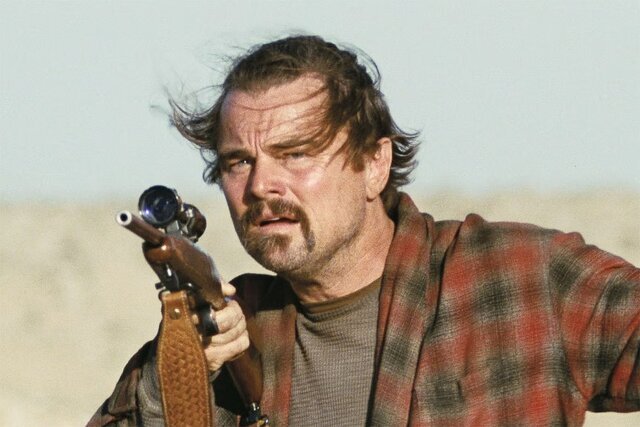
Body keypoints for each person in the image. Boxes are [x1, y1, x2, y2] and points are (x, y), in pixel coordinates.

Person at [89, 35, 640, 426]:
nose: (260, 186)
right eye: (239, 162)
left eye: (296, 153)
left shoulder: (518, 278)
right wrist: (176, 377)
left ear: (375, 164)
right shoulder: (233, 331)